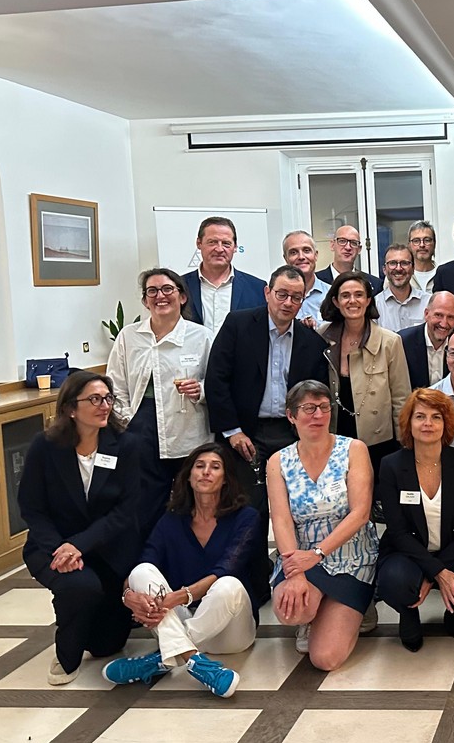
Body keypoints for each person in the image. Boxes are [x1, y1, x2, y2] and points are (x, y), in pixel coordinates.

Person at [103, 443, 270, 696]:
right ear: (189, 476)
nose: (206, 472)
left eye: (215, 467)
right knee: (141, 571)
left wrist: (180, 596)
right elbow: (143, 564)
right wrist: (129, 596)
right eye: (199, 466)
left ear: (226, 479)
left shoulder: (245, 517)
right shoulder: (171, 519)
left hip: (231, 630)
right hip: (182, 618)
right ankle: (196, 662)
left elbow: (227, 567)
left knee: (228, 584)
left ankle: (162, 658)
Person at [18, 371, 143, 684]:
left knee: (106, 645)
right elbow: (32, 507)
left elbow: (126, 511)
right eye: (94, 399)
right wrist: (61, 549)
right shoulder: (45, 446)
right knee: (78, 587)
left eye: (108, 398)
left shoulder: (126, 445)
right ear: (71, 408)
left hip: (107, 548)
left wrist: (80, 545)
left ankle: (86, 617)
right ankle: (66, 655)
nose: (104, 406)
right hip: (53, 546)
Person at [268, 381, 379, 671]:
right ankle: (314, 613)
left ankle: (359, 605)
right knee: (292, 611)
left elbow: (360, 513)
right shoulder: (278, 461)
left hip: (350, 557)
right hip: (300, 555)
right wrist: (294, 572)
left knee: (325, 659)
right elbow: (281, 519)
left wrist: (317, 554)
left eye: (324, 407)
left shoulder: (353, 449)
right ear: (291, 415)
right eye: (308, 408)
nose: (318, 415)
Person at [204, 265, 329, 510]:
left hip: (291, 433)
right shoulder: (238, 325)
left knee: (295, 506)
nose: (288, 303)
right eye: (282, 294)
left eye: (296, 297)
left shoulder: (312, 341)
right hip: (245, 432)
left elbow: (316, 394)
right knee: (247, 509)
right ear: (267, 293)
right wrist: (233, 431)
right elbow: (216, 380)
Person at [376, 389, 454, 651]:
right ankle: (408, 612)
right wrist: (437, 572)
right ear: (408, 422)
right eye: (420, 416)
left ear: (446, 423)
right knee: (394, 581)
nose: (427, 423)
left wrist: (435, 572)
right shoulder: (391, 465)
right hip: (406, 551)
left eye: (436, 417)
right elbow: (397, 531)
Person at [107, 267, 213, 534]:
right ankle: (151, 556)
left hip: (188, 429)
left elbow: (218, 383)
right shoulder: (129, 336)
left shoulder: (201, 336)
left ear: (182, 296)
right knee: (146, 504)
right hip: (141, 429)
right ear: (145, 301)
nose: (160, 296)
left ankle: (190, 554)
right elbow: (115, 384)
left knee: (192, 501)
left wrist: (200, 390)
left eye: (167, 289)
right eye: (152, 291)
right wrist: (126, 422)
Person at [318, 270, 411, 473]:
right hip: (335, 434)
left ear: (368, 300)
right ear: (335, 301)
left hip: (378, 440)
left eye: (359, 295)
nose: (352, 301)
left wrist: (404, 442)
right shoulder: (322, 336)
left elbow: (401, 398)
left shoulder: (390, 341)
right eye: (345, 295)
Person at [182, 217, 267, 332]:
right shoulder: (180, 286)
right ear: (199, 243)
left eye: (226, 243)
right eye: (212, 242)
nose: (219, 249)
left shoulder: (257, 288)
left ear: (235, 247)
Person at [400, 291, 454, 389]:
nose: (444, 323)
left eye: (450, 317)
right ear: (426, 314)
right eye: (438, 315)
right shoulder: (403, 342)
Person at [375, 243, 429, 332]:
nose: (398, 268)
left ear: (413, 269)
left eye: (404, 263)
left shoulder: (428, 303)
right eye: (392, 263)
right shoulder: (375, 306)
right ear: (384, 269)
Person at [281, 229, 331, 324]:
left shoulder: (331, 294)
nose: (301, 257)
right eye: (293, 252)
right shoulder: (278, 298)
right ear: (286, 258)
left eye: (306, 251)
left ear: (315, 255)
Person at [316, 223, 383, 293]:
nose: (348, 247)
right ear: (332, 245)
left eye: (353, 243)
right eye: (342, 241)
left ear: (359, 249)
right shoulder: (316, 280)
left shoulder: (375, 284)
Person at [407, 220, 437, 292]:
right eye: (416, 241)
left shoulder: (444, 275)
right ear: (409, 245)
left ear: (434, 244)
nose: (422, 245)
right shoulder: (400, 276)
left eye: (427, 240)